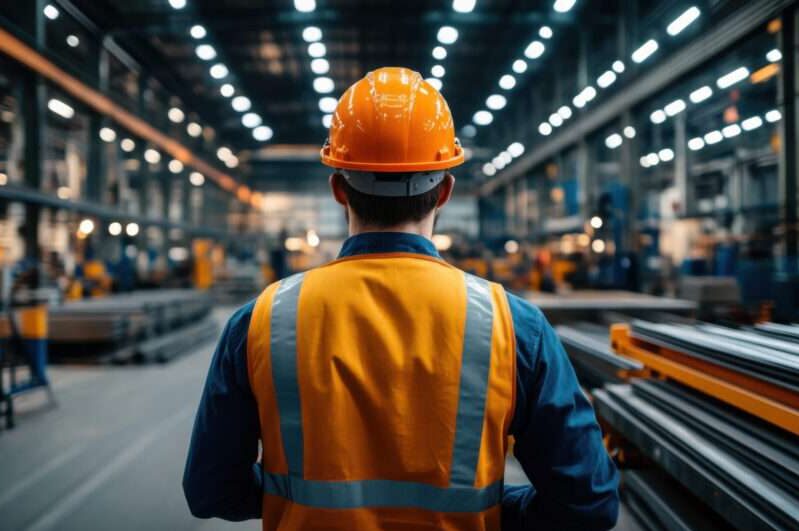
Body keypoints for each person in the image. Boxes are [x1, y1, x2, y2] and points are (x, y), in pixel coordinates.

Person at [183, 67, 619, 530]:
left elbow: (211, 489)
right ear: (445, 191)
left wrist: (290, 500)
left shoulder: (262, 321)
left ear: (338, 190)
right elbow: (587, 503)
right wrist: (497, 506)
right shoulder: (511, 326)